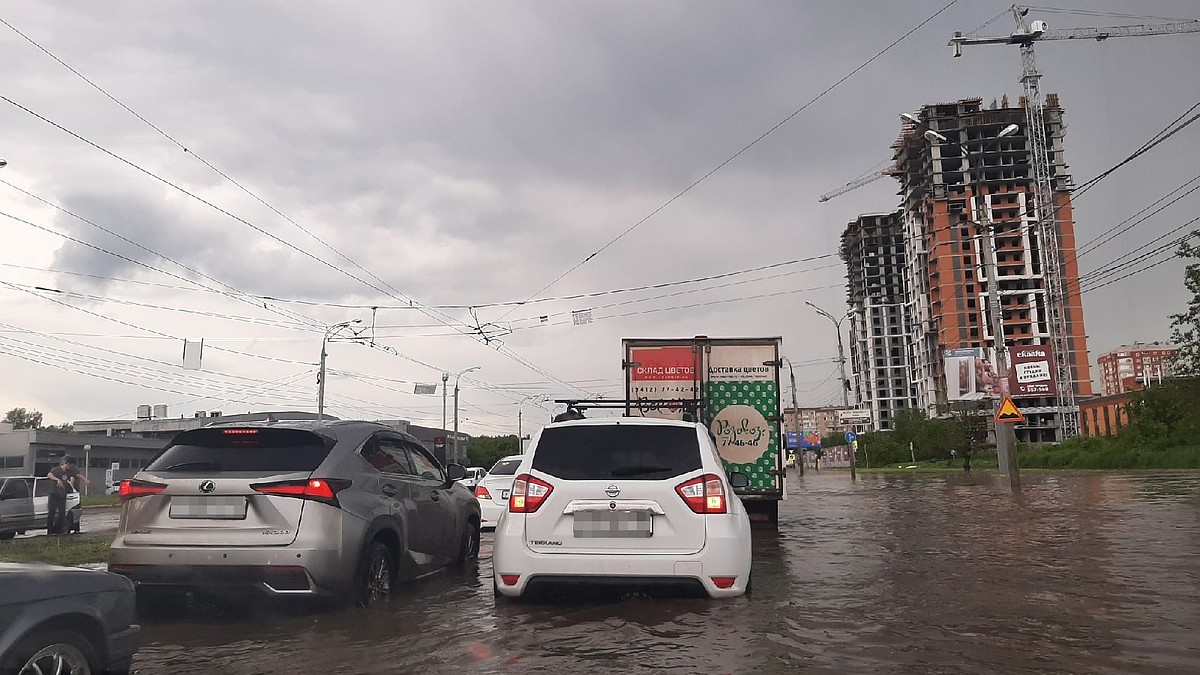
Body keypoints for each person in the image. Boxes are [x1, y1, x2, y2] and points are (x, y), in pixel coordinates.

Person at [47, 455, 87, 535]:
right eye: (71, 466)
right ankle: (50, 531)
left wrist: (84, 480)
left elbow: (76, 475)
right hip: (54, 494)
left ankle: (57, 529)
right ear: (67, 464)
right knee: (52, 513)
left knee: (62, 514)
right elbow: (49, 475)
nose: (71, 468)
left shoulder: (68, 472)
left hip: (62, 495)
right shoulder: (56, 469)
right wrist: (57, 480)